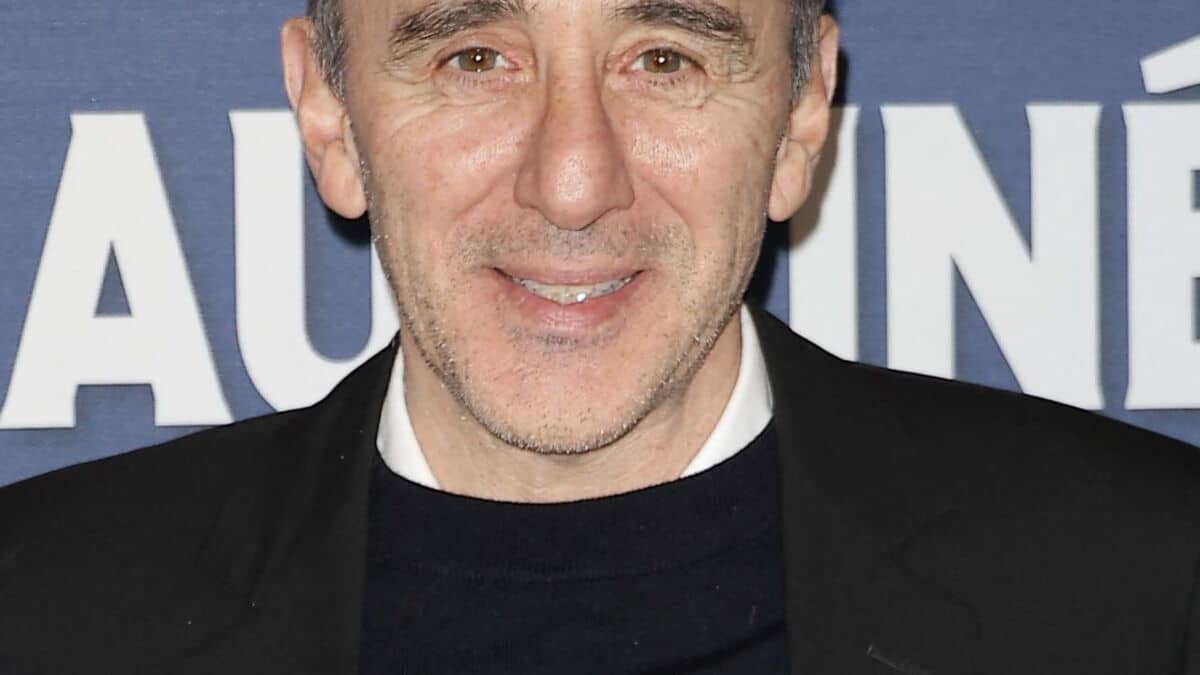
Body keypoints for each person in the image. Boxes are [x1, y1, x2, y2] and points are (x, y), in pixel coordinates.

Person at [2, 0, 1199, 673]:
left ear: (800, 114)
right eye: (473, 57)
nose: (573, 182)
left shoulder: (1150, 590)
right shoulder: (40, 611)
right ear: (329, 113)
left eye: (665, 59)